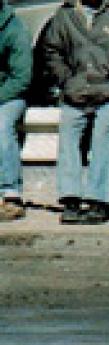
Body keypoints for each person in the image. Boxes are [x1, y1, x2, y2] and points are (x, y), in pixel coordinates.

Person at [39, 0, 109, 225]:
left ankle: (98, 200)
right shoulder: (64, 15)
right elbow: (51, 51)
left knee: (103, 130)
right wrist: (66, 80)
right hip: (77, 93)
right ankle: (70, 199)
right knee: (69, 128)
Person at [0, 0, 31, 222]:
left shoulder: (15, 29)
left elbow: (21, 77)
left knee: (2, 127)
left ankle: (11, 194)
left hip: (9, 95)